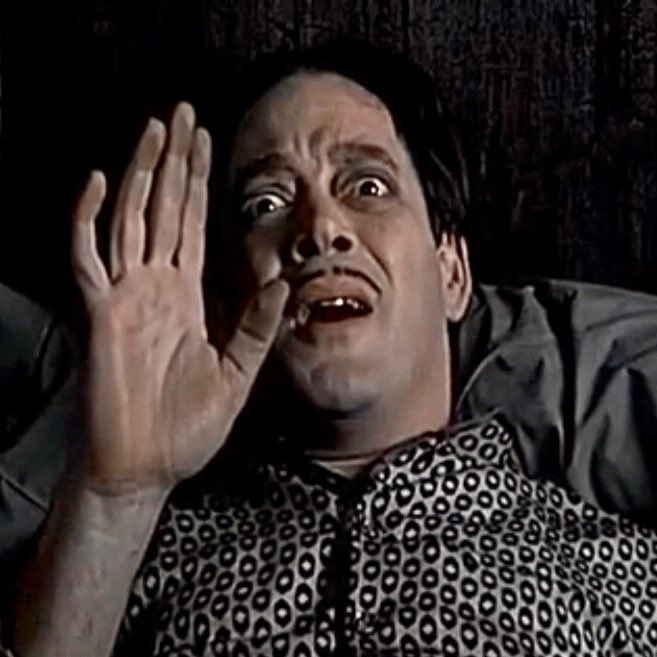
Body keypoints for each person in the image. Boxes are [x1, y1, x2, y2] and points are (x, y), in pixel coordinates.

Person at [7, 41, 657, 656]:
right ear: (226, 306)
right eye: (266, 203)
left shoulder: (616, 573)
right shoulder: (122, 569)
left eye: (367, 187)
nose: (320, 227)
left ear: (452, 272)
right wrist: (115, 497)